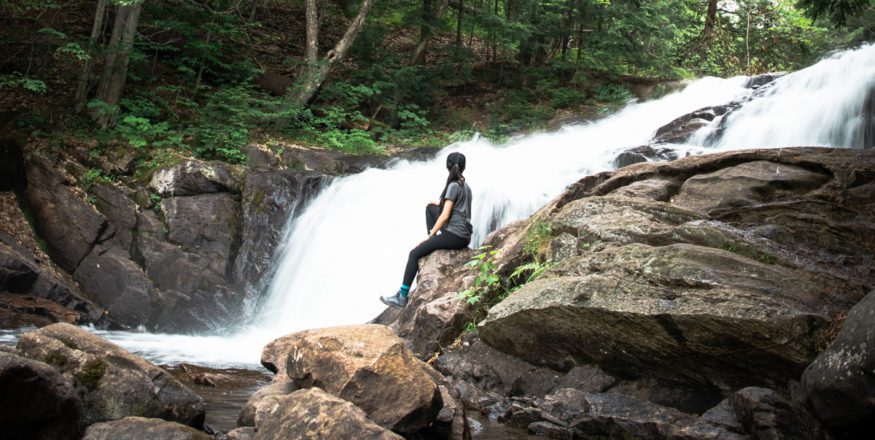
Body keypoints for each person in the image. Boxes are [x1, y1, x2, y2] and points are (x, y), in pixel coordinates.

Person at [381, 152, 473, 309]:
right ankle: (434, 239)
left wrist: (430, 236)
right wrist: (437, 205)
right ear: (463, 168)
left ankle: (402, 297)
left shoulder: (452, 186)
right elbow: (452, 211)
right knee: (430, 208)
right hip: (465, 235)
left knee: (414, 253)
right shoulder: (466, 186)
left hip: (455, 235)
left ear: (448, 166)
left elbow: (444, 216)